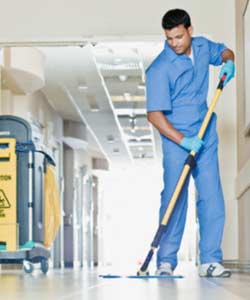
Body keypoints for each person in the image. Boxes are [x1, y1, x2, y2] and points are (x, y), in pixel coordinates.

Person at [146, 8, 235, 277]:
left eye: (179, 37)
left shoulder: (202, 46)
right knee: (175, 198)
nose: (174, 43)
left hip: (206, 131)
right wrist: (183, 140)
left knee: (211, 196)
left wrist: (228, 63)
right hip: (177, 139)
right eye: (169, 38)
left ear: (189, 30)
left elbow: (225, 51)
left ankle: (210, 259)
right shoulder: (160, 68)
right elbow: (154, 115)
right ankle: (166, 261)